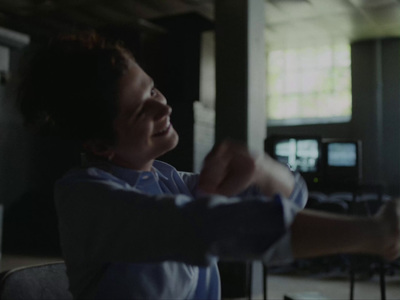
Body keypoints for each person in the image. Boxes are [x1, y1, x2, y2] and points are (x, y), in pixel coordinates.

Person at [17, 32, 399, 300]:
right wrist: (372, 232)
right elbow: (209, 226)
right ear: (99, 143)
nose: (163, 107)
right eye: (140, 109)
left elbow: (293, 198)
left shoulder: (166, 180)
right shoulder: (85, 196)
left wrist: (260, 167)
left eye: (152, 89)